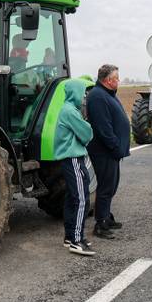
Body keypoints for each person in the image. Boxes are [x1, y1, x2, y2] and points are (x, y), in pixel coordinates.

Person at [86, 64, 131, 240]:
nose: (119, 81)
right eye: (117, 78)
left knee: (111, 185)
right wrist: (114, 146)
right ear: (108, 80)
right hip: (104, 151)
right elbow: (103, 128)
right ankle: (101, 224)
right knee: (105, 187)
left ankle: (107, 216)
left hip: (112, 151)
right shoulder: (97, 96)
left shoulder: (107, 94)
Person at [53, 79, 95, 255]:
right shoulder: (71, 111)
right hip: (74, 158)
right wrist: (88, 127)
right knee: (81, 199)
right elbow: (86, 133)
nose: (84, 96)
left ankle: (70, 236)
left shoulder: (66, 109)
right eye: (82, 92)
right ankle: (76, 241)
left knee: (72, 198)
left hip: (70, 159)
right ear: (75, 93)